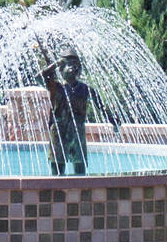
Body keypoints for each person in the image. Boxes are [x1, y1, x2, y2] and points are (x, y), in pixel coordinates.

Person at [39, 44, 114, 176]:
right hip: (58, 131)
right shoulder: (56, 87)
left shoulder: (85, 89)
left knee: (80, 168)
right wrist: (56, 63)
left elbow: (101, 106)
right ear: (62, 68)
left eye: (76, 64)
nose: (73, 67)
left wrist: (113, 121)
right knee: (57, 168)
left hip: (77, 131)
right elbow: (39, 77)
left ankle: (81, 194)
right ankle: (57, 193)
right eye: (69, 64)